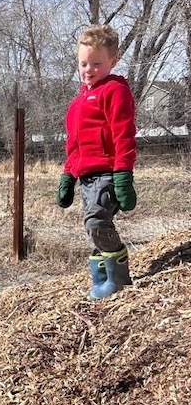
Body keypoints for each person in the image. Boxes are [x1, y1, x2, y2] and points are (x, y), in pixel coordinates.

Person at [56, 24, 137, 299]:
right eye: (83, 63)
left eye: (96, 64)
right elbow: (74, 145)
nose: (88, 69)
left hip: (108, 173)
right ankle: (101, 279)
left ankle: (119, 278)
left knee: (96, 221)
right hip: (87, 177)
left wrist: (123, 174)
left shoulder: (114, 91)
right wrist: (68, 175)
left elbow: (123, 134)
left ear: (113, 61)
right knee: (92, 227)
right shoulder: (77, 102)